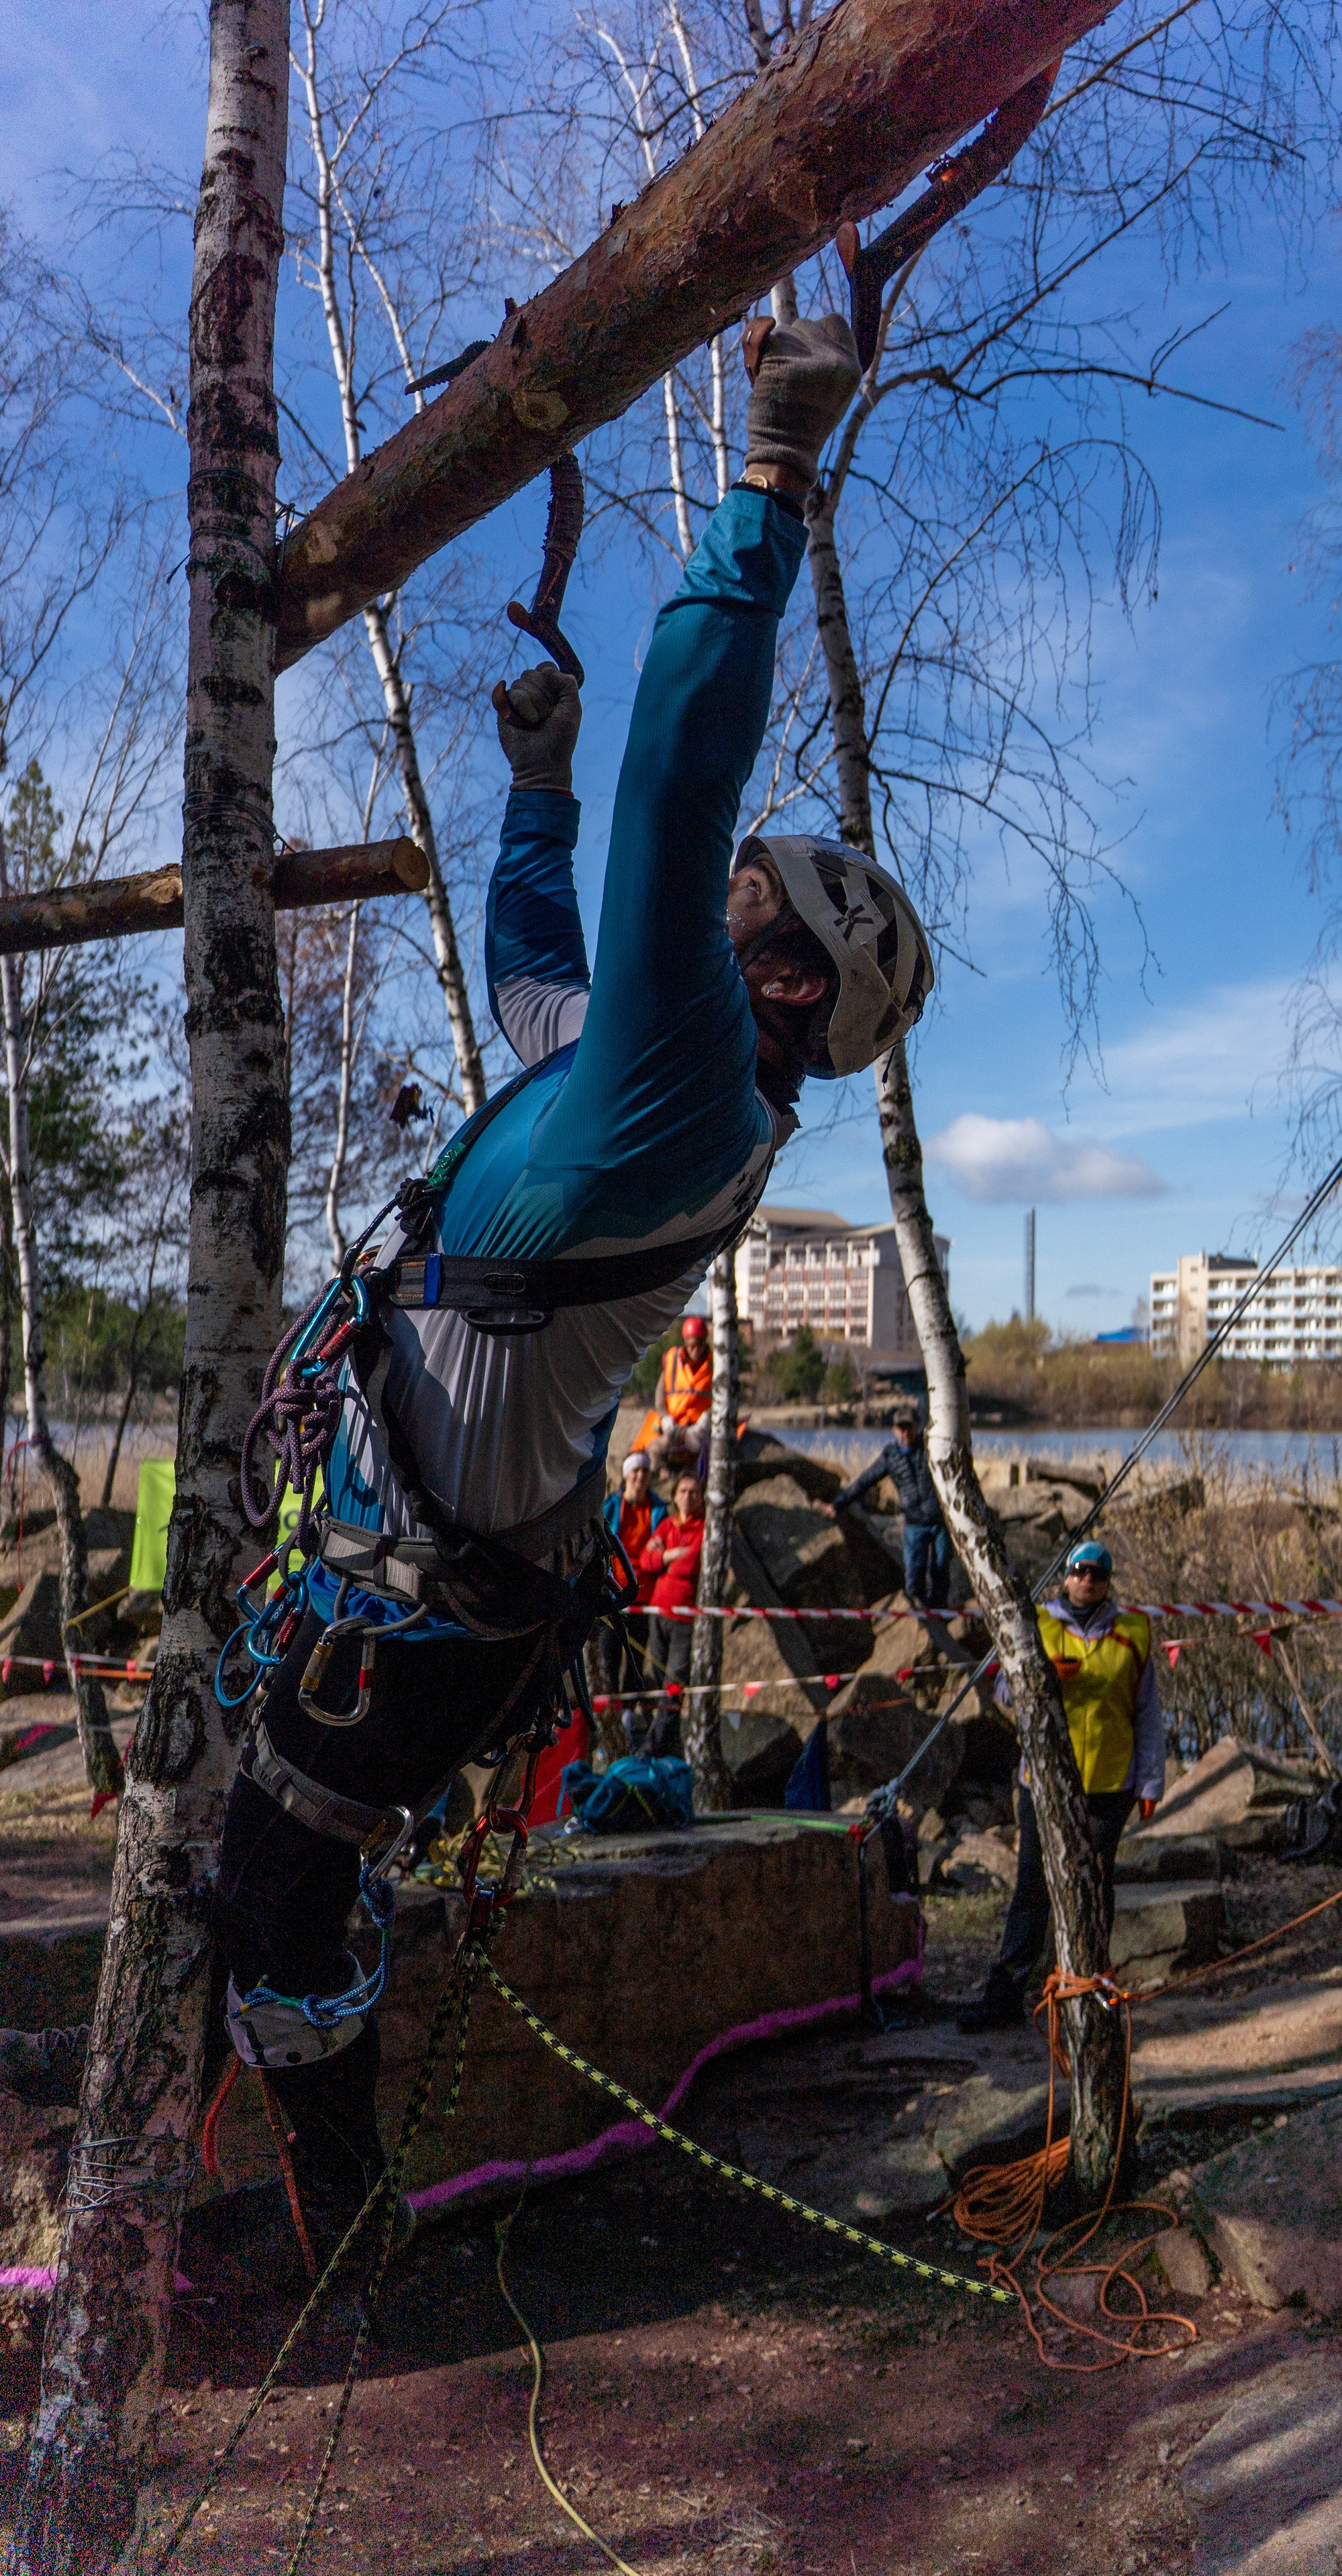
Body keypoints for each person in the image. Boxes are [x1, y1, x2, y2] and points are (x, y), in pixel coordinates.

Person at [205, 305, 933, 2282]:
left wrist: (765, 489)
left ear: (787, 986)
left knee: (268, 1873)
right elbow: (539, 958)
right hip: (413, 1551)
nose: (724, 887)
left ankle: (339, 2208)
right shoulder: (630, 1074)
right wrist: (533, 779)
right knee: (235, 1832)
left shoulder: (693, 1084)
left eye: (756, 895)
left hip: (440, 1598)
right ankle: (280, 2108)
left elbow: (684, 771)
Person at [960, 1540, 1164, 2032]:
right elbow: (1007, 1690)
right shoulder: (1039, 1625)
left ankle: (1089, 1986)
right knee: (1032, 1886)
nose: (1087, 1579)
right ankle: (1004, 1994)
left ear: (1107, 1581)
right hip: (1046, 1781)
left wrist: (1151, 1779)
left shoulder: (1132, 1632)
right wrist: (1043, 1677)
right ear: (1065, 1577)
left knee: (1094, 1884)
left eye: (1097, 1573)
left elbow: (1148, 1712)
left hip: (1110, 1783)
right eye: (1079, 1571)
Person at [818, 1404, 953, 1611]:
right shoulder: (891, 1456)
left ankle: (940, 1615)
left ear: (918, 1427)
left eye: (910, 1427)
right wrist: (839, 1504)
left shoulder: (931, 1449)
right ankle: (919, 1617)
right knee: (914, 1574)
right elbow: (865, 1480)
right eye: (902, 1428)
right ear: (895, 1430)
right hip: (914, 1524)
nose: (906, 1432)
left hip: (939, 1521)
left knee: (941, 1569)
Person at [588, 1452, 668, 1740]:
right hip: (613, 1594)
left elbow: (660, 1549)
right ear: (626, 1476)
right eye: (635, 1473)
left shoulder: (659, 1510)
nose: (640, 1478)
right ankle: (607, 1718)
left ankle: (628, 1712)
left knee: (635, 1658)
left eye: (645, 1473)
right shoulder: (612, 1505)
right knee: (609, 1657)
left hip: (643, 1596)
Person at [636, 1470, 707, 1748]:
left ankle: (651, 1746)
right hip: (657, 1610)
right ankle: (671, 1742)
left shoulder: (703, 1528)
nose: (687, 1497)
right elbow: (645, 1560)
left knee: (674, 1682)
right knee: (656, 1678)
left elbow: (690, 1564)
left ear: (701, 1497)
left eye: (693, 1492)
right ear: (674, 1496)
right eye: (682, 1491)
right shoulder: (666, 1525)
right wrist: (668, 1555)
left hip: (683, 1616)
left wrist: (664, 1558)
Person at [636, 1315, 713, 1474]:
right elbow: (660, 1395)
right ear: (686, 1342)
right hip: (673, 1426)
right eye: (692, 1346)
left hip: (698, 1429)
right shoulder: (672, 1361)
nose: (696, 1350)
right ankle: (662, 1480)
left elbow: (722, 1399)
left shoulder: (715, 1363)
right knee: (654, 1450)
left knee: (700, 1454)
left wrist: (708, 1418)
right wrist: (665, 1419)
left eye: (700, 1345)